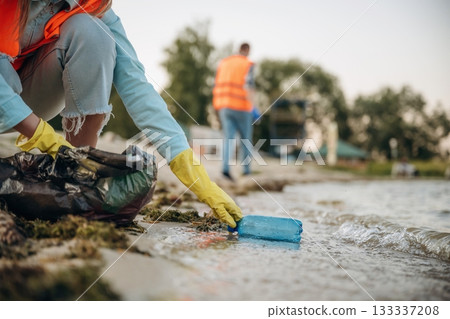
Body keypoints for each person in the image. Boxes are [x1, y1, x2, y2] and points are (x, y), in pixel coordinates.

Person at [0, 0, 242, 228]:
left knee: (94, 34)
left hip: (27, 94)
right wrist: (46, 138)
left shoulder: (95, 5)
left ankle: (76, 178)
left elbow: (136, 86)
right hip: (5, 93)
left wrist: (195, 174)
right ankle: (68, 161)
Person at [213, 43, 256, 181]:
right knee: (245, 140)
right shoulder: (247, 64)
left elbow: (216, 83)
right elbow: (248, 85)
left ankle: (225, 169)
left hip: (224, 106)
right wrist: (253, 107)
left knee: (228, 139)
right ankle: (246, 171)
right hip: (242, 106)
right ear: (247, 50)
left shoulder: (224, 63)